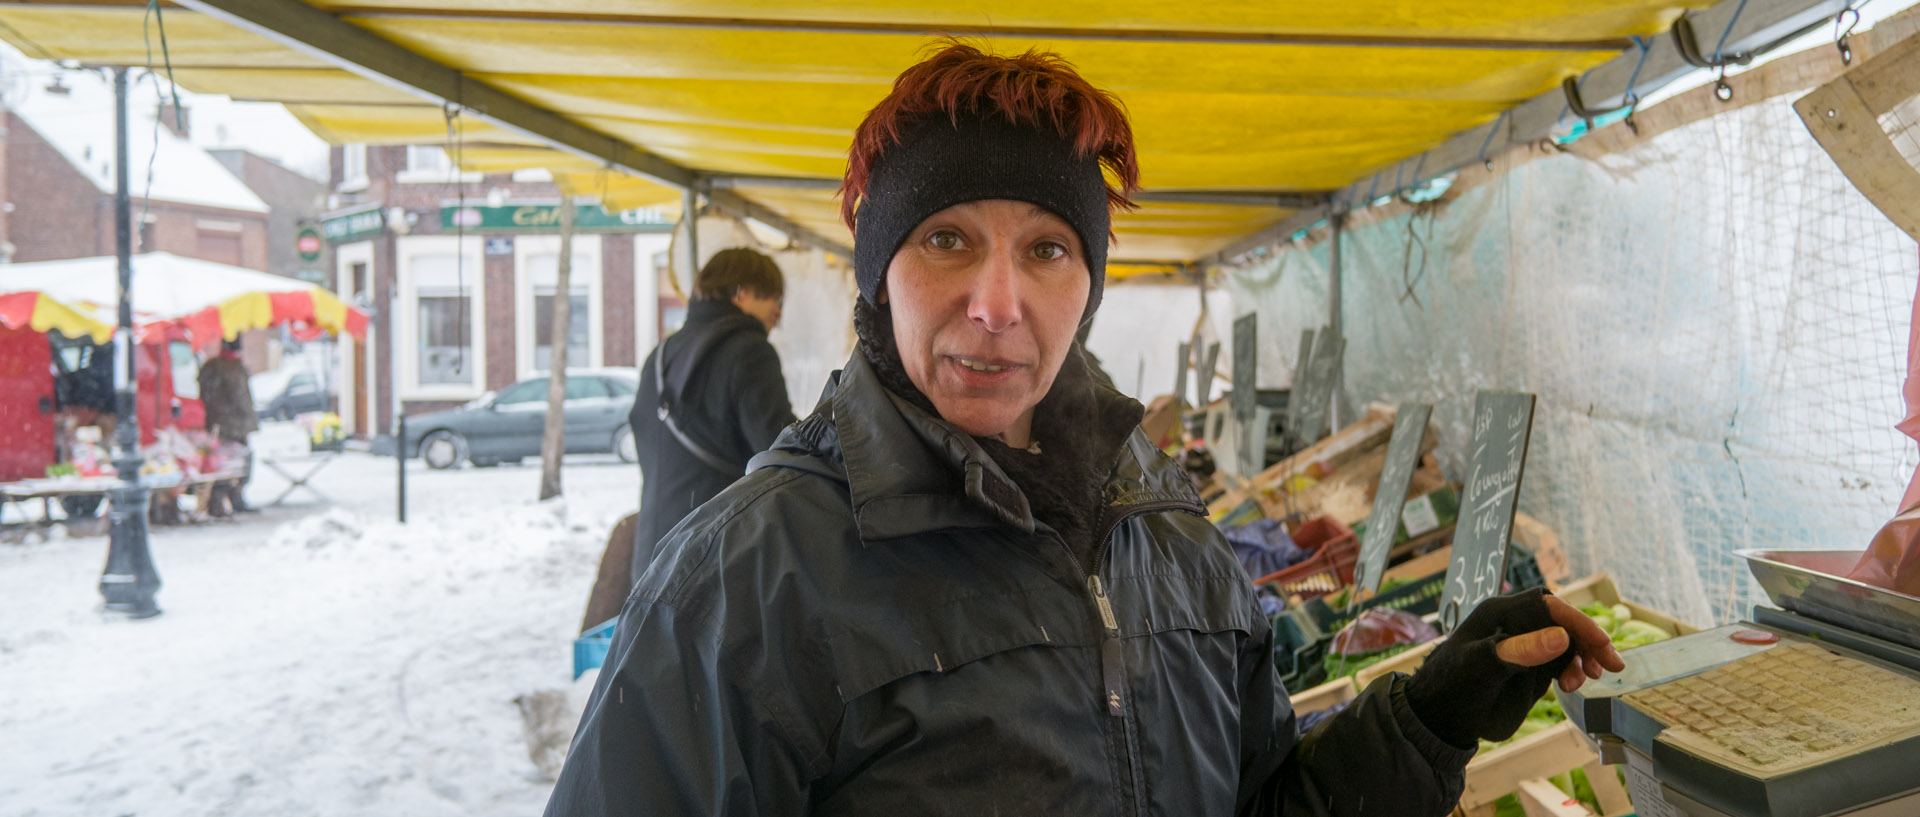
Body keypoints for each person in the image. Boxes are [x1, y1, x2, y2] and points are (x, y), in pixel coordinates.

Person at [547, 43, 1624, 817]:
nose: (998, 303)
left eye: (1049, 250)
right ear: (881, 276)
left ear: (1091, 285)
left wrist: (1427, 722)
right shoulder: (752, 573)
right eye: (949, 239)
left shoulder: (1168, 534)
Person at [625, 247, 796, 582]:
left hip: (651, 559)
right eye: (774, 299)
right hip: (712, 559)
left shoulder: (659, 357)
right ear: (742, 293)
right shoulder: (749, 350)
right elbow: (780, 451)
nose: (778, 313)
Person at [197, 339, 256, 514]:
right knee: (223, 464)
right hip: (227, 424)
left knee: (234, 463)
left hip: (230, 423)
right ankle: (219, 500)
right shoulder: (223, 367)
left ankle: (230, 497)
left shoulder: (224, 366)